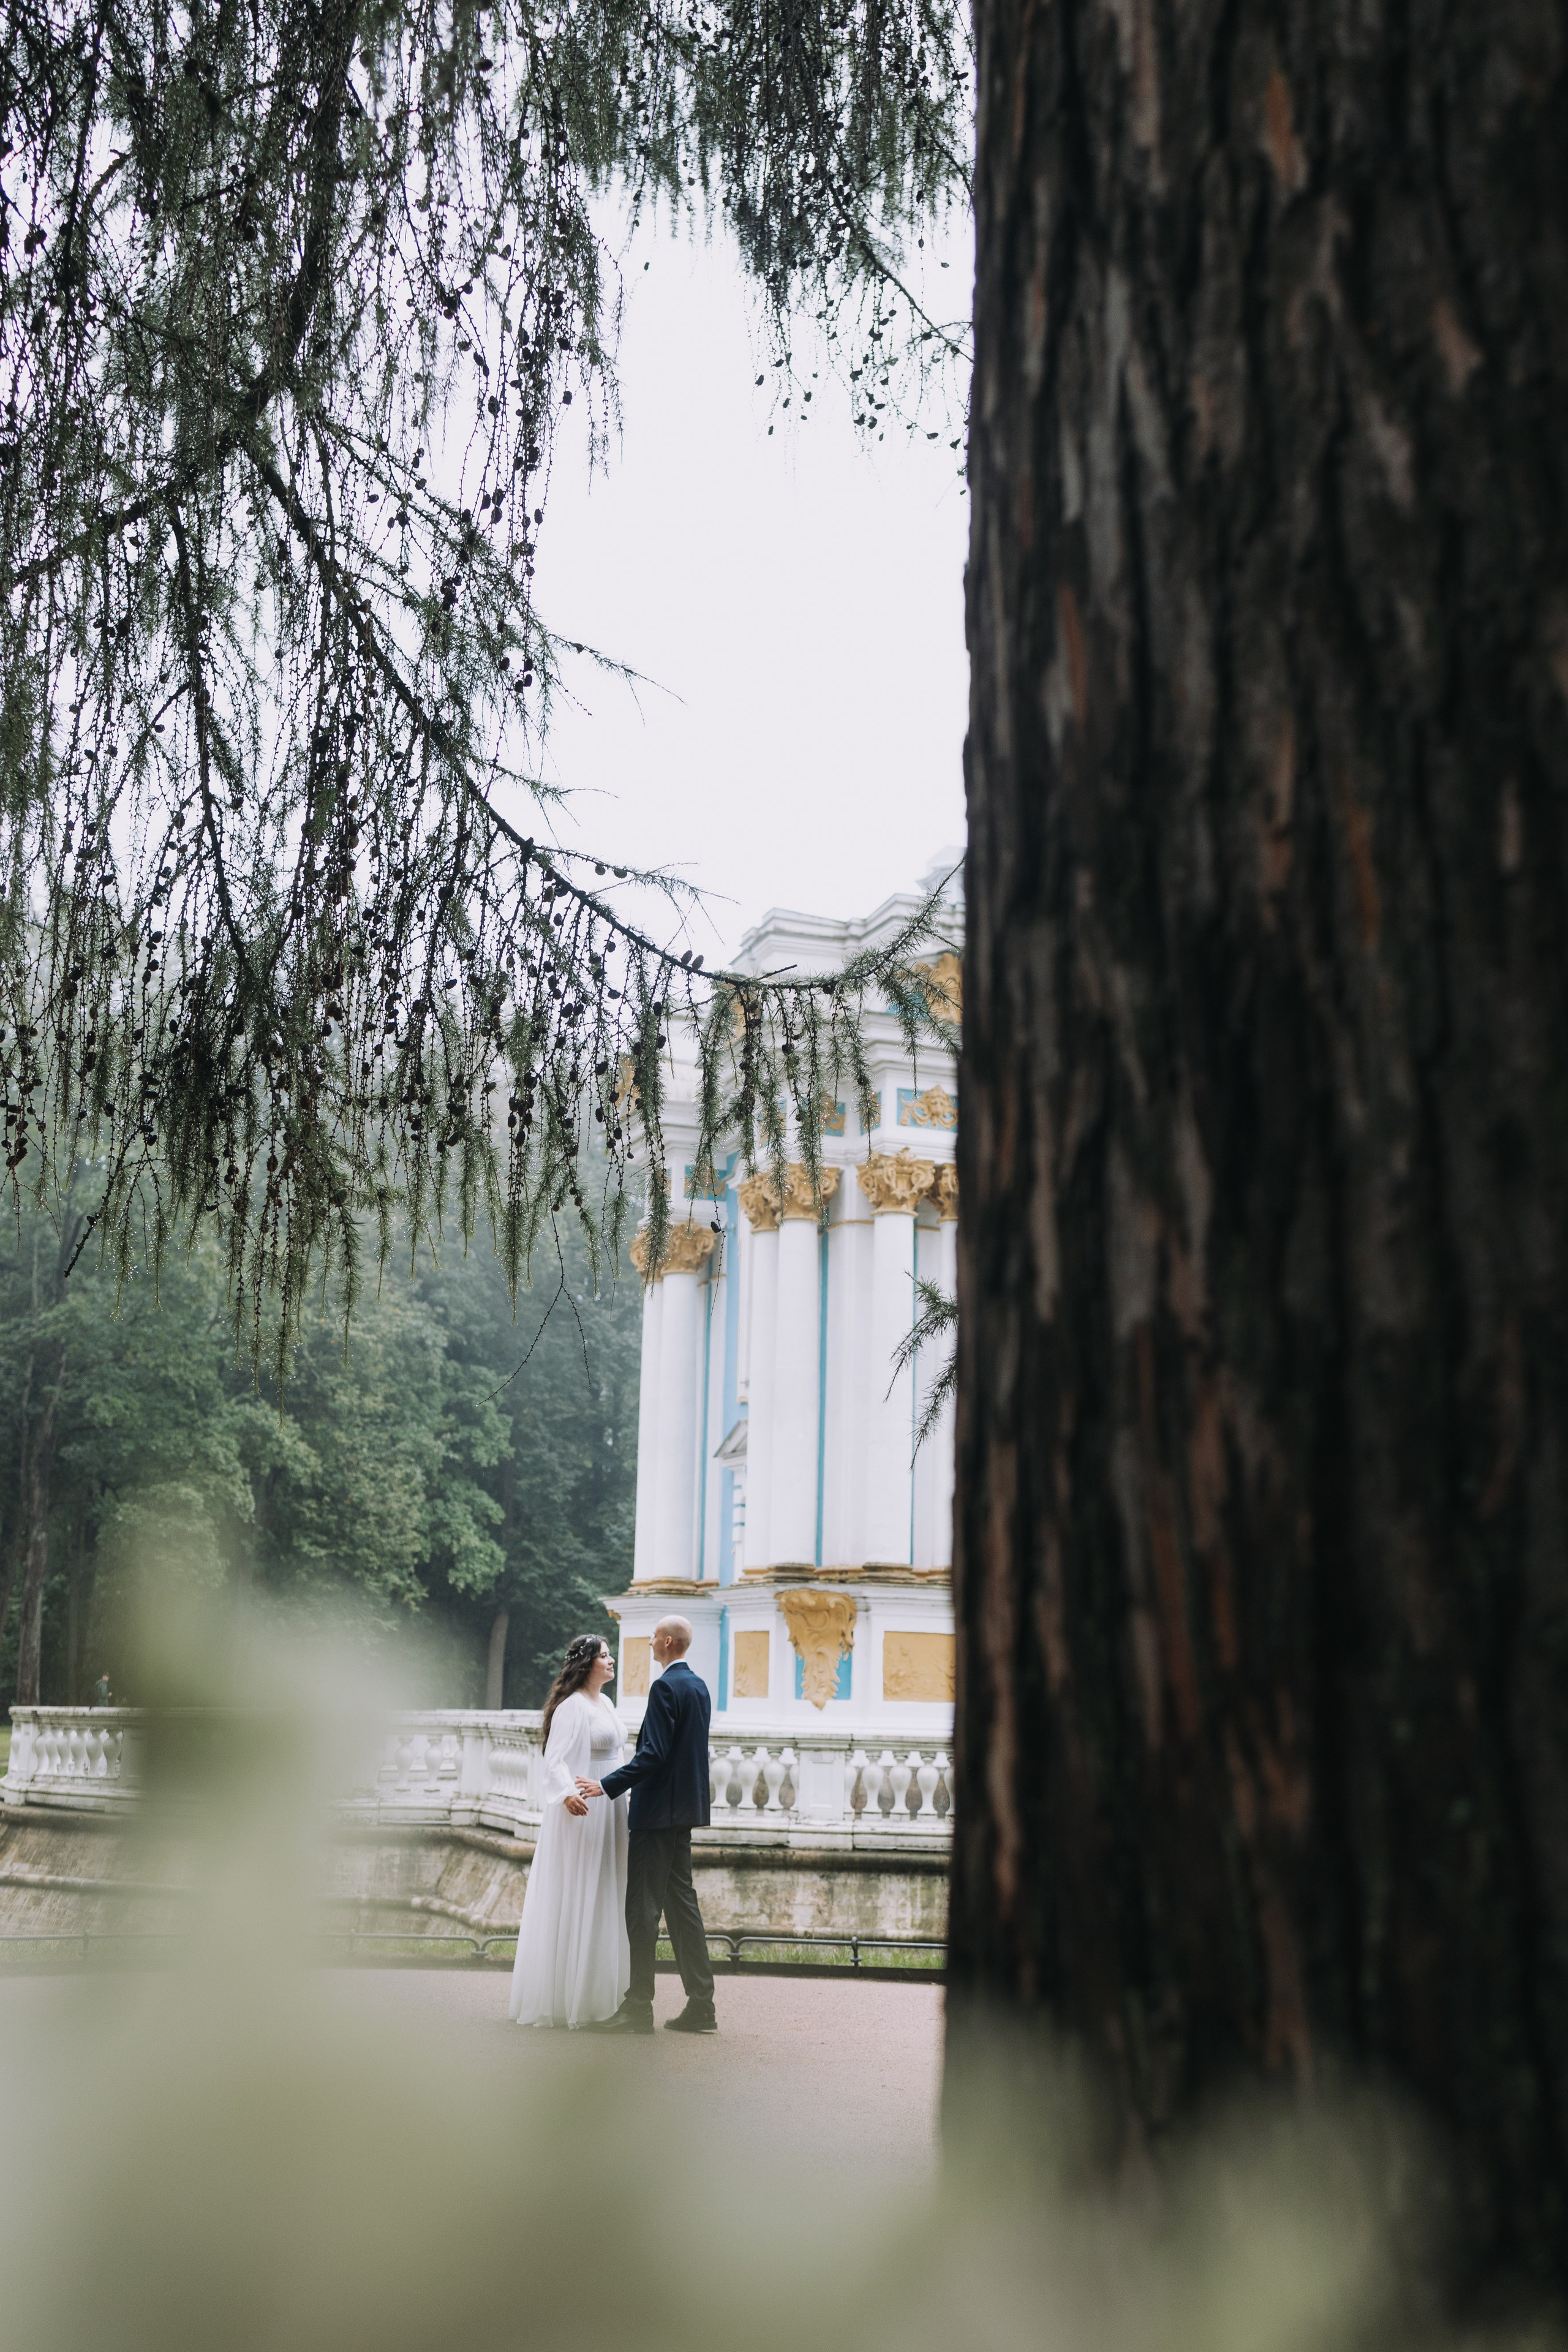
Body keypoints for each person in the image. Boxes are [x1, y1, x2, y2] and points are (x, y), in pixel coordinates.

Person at [576, 1614, 716, 2036]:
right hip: (685, 1811)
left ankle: (638, 2006)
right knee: (682, 1907)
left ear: (670, 1642)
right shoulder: (698, 1686)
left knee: (641, 1908)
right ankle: (701, 2005)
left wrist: (607, 1784)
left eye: (655, 1637)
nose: (650, 1643)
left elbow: (653, 1755)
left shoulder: (665, 1687)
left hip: (657, 1815)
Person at [508, 1635, 630, 2030]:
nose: (612, 1661)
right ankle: (566, 1996)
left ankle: (598, 1991)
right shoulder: (572, 1707)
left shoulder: (607, 1703)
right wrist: (565, 1795)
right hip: (584, 1806)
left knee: (607, 1887)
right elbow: (555, 1758)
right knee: (581, 1888)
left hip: (611, 1802)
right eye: (605, 1656)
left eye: (611, 1655)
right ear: (587, 1664)